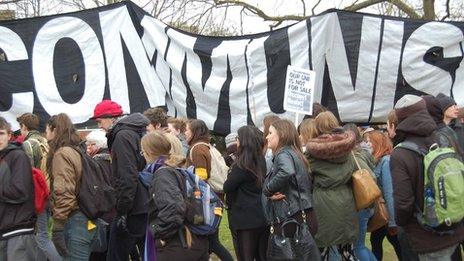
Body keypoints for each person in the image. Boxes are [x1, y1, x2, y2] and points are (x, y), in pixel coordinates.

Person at [390, 95, 464, 260]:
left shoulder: (401, 153)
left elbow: (403, 204)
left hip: (426, 235)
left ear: (400, 119)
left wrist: (404, 226)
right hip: (454, 225)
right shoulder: (445, 137)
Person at [92, 99, 150, 261]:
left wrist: (123, 209)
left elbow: (126, 175)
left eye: (100, 121)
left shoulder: (122, 136)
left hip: (133, 206)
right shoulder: (134, 132)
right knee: (146, 253)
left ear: (112, 118)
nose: (99, 126)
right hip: (143, 201)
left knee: (116, 255)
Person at [141, 131, 209, 260]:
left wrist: (158, 233)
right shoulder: (177, 168)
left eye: (142, 152)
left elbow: (173, 207)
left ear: (148, 152)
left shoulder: (163, 174)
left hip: (177, 244)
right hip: (192, 240)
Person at [304, 111, 358, 260]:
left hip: (322, 202)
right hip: (346, 200)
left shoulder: (311, 153)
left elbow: (306, 179)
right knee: (346, 252)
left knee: (322, 252)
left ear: (317, 127)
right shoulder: (348, 149)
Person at [263, 119, 319, 259]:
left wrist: (268, 190)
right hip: (300, 214)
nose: (267, 137)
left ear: (281, 135)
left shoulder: (284, 154)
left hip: (293, 218)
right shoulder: (293, 153)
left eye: (270, 133)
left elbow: (287, 171)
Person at [46, 113, 96, 260]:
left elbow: (64, 191)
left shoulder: (62, 153)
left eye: (47, 129)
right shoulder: (76, 149)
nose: (45, 133)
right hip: (86, 217)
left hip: (75, 219)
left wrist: (58, 224)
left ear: (54, 130)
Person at [185, 119, 233, 261]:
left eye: (187, 130)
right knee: (208, 242)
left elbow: (202, 176)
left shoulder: (198, 149)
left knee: (212, 241)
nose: (185, 133)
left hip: (206, 202)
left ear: (194, 132)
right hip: (213, 198)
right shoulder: (206, 146)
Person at [17, 113, 61, 261]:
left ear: (24, 127)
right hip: (49, 192)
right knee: (42, 235)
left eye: (20, 127)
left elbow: (26, 174)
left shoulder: (28, 144)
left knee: (41, 236)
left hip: (38, 195)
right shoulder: (45, 140)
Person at [223, 126, 268, 261]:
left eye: (237, 138)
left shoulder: (241, 165)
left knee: (245, 256)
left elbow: (227, 187)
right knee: (262, 255)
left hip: (245, 220)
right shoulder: (261, 160)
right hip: (261, 216)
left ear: (243, 141)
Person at [0, 117, 39, 260]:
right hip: (5, 231)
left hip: (18, 230)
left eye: (1, 133)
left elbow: (20, 191)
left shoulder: (17, 156)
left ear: (9, 135)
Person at [367, 131, 402, 261]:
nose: (368, 144)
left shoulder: (386, 161)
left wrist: (393, 221)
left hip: (386, 214)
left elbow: (389, 191)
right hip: (381, 214)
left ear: (378, 144)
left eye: (370, 141)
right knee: (376, 242)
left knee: (396, 244)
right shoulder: (377, 161)